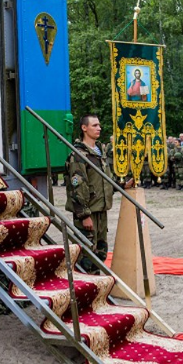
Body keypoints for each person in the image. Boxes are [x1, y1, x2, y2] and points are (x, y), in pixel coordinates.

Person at [64, 114, 115, 273]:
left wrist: (121, 185)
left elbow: (105, 180)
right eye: (94, 125)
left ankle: (96, 283)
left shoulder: (99, 153)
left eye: (99, 125)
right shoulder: (78, 155)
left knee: (100, 252)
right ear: (84, 128)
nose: (99, 128)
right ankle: (84, 284)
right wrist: (84, 215)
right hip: (88, 212)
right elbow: (77, 187)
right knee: (85, 255)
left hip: (100, 210)